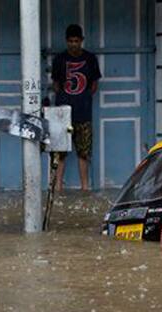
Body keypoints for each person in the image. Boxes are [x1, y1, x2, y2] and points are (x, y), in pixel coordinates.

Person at [51, 23, 102, 191]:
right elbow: (56, 85)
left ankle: (85, 188)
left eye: (76, 40)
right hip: (62, 113)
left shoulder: (90, 59)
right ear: (67, 41)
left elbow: (94, 85)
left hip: (83, 113)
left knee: (83, 153)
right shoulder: (59, 59)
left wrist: (83, 98)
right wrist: (66, 99)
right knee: (60, 152)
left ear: (81, 41)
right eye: (71, 41)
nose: (73, 44)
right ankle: (58, 188)